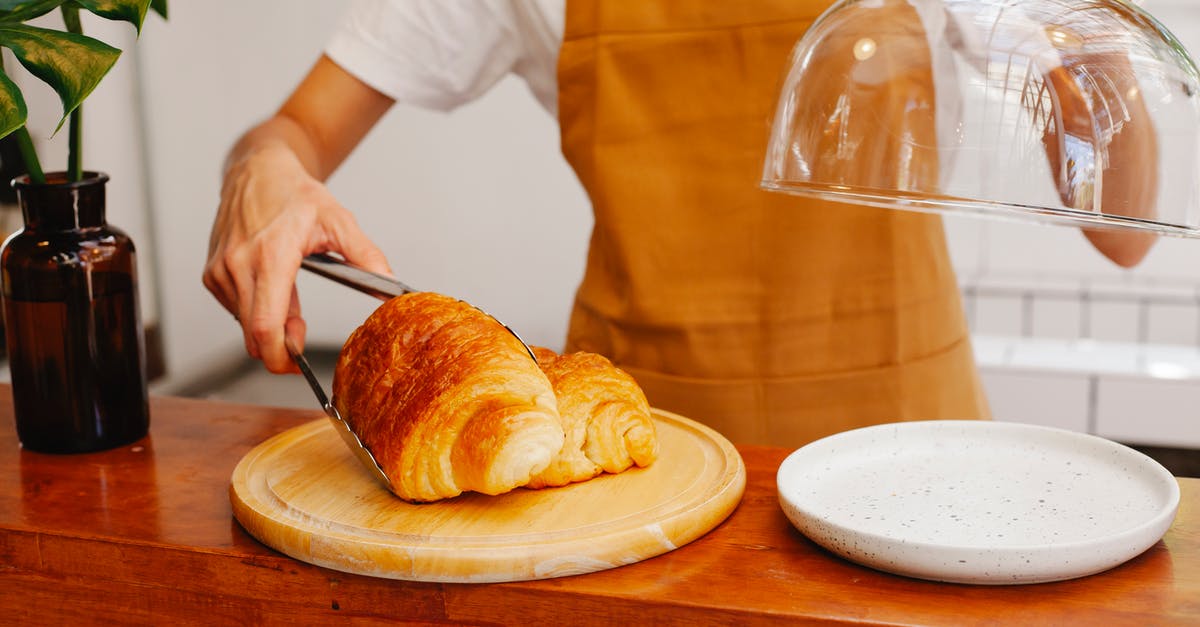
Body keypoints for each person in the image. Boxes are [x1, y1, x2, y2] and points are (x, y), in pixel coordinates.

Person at [204, 0, 1156, 447]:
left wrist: (1099, 41)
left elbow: (1125, 231)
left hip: (914, 442)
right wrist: (262, 176)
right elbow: (288, 134)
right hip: (632, 448)